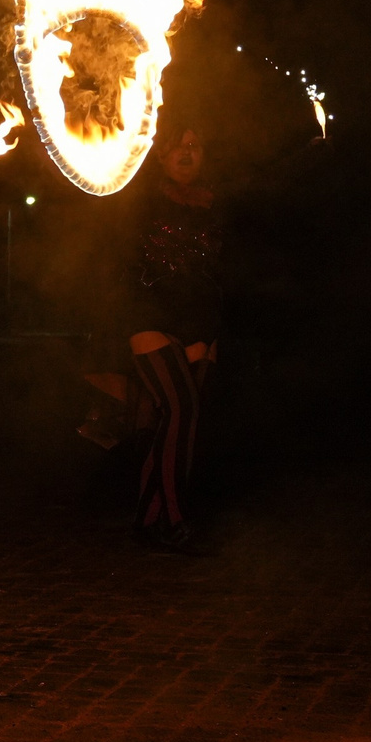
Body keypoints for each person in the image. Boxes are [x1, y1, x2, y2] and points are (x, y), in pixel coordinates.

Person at [123, 126, 221, 549]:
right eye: (178, 145)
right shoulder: (140, 198)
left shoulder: (216, 205)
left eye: (195, 145)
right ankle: (178, 520)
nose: (186, 151)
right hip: (150, 315)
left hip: (199, 319)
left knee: (178, 424)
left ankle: (148, 521)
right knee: (181, 410)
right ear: (160, 156)